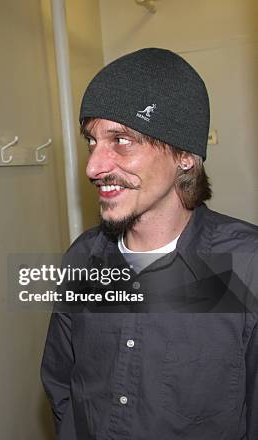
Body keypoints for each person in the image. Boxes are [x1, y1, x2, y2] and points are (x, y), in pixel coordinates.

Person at [41, 48, 258, 439]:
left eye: (121, 140)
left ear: (184, 156)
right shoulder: (83, 258)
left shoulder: (245, 265)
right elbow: (63, 388)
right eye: (92, 141)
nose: (93, 166)